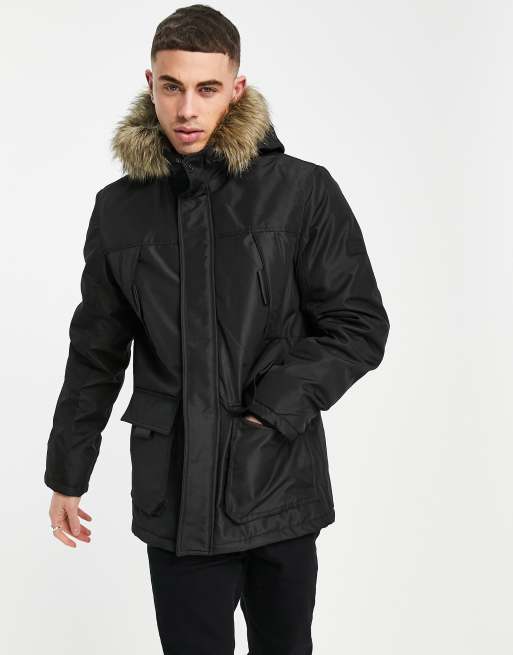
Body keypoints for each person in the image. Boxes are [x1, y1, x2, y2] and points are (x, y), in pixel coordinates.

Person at [44, 4, 390, 653]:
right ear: (150, 83)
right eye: (172, 86)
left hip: (276, 481)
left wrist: (272, 408)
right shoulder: (119, 210)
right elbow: (95, 351)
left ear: (235, 88)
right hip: (175, 494)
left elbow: (358, 323)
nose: (186, 109)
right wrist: (68, 468)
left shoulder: (300, 191)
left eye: (206, 88)